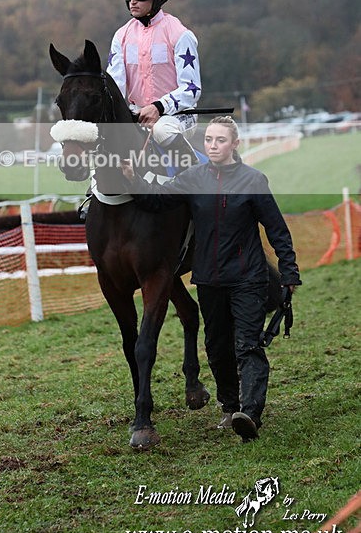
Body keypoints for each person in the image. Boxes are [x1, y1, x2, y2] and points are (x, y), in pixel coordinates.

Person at [121, 116, 301, 442]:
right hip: (208, 280)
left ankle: (251, 413)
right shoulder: (192, 178)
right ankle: (231, 408)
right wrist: (134, 180)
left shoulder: (253, 181)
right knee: (217, 349)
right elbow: (156, 200)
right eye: (209, 141)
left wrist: (289, 272)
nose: (213, 146)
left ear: (235, 144)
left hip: (247, 278)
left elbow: (277, 231)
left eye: (220, 140)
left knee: (247, 345)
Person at [107, 0, 201, 148]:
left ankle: (193, 175)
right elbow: (115, 86)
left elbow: (192, 89)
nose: (132, 1)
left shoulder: (180, 35)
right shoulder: (120, 36)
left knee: (162, 130)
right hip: (137, 114)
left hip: (178, 115)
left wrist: (159, 107)